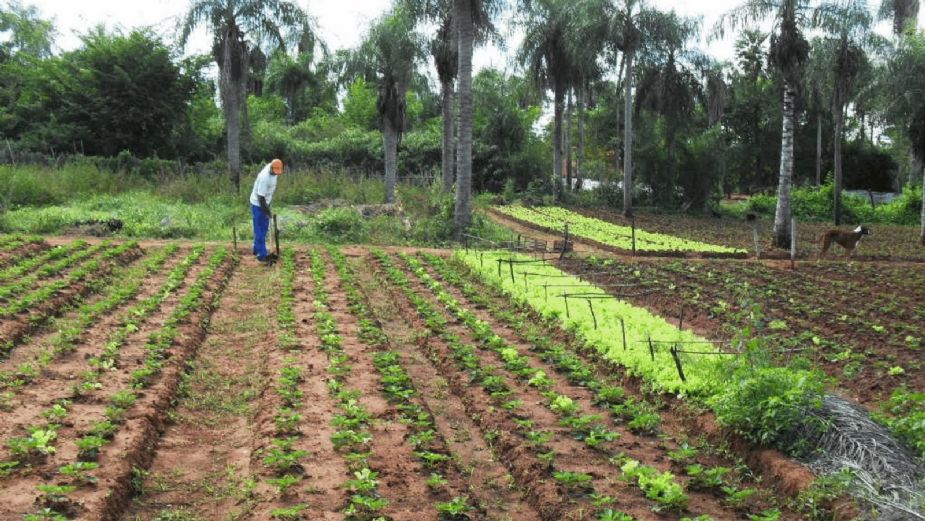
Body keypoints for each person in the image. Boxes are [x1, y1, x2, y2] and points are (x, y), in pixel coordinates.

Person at [250, 158, 283, 263]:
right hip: (258, 204)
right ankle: (262, 255)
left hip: (265, 202)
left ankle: (256, 249)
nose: (276, 174)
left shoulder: (274, 168)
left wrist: (268, 205)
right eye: (275, 171)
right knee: (260, 229)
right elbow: (260, 197)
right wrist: (267, 211)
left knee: (262, 228)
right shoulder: (265, 177)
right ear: (271, 169)